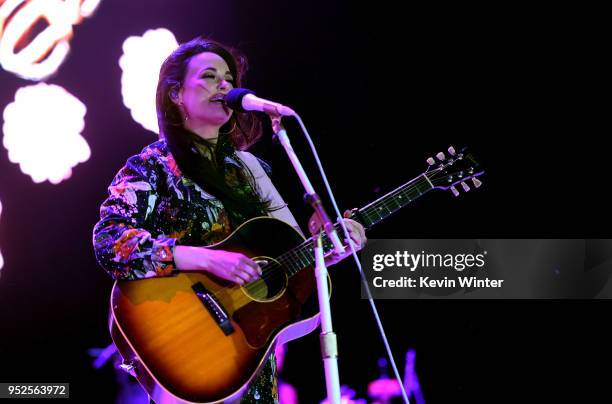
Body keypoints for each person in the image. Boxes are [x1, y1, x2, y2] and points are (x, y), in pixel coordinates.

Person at [92, 36, 366, 403]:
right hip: (186, 346)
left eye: (229, 79)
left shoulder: (252, 170)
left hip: (248, 361)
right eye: (209, 76)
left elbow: (293, 259)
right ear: (175, 95)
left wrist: (330, 249)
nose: (225, 85)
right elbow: (110, 241)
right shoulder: (151, 166)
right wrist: (207, 258)